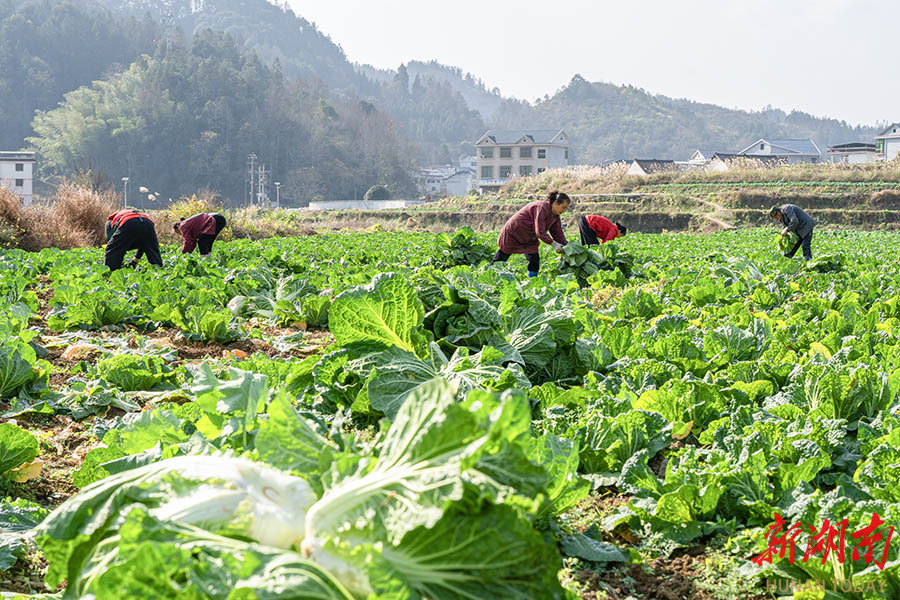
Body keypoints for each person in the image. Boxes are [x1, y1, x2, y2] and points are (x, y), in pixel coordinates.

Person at [490, 191, 570, 277]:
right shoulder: (541, 208)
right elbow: (540, 232)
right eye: (563, 207)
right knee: (502, 257)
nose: (564, 210)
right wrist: (553, 244)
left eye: (566, 208)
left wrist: (567, 246)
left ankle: (532, 280)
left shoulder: (555, 215)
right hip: (514, 232)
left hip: (529, 237)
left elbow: (557, 233)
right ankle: (490, 273)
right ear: (556, 203)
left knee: (534, 259)